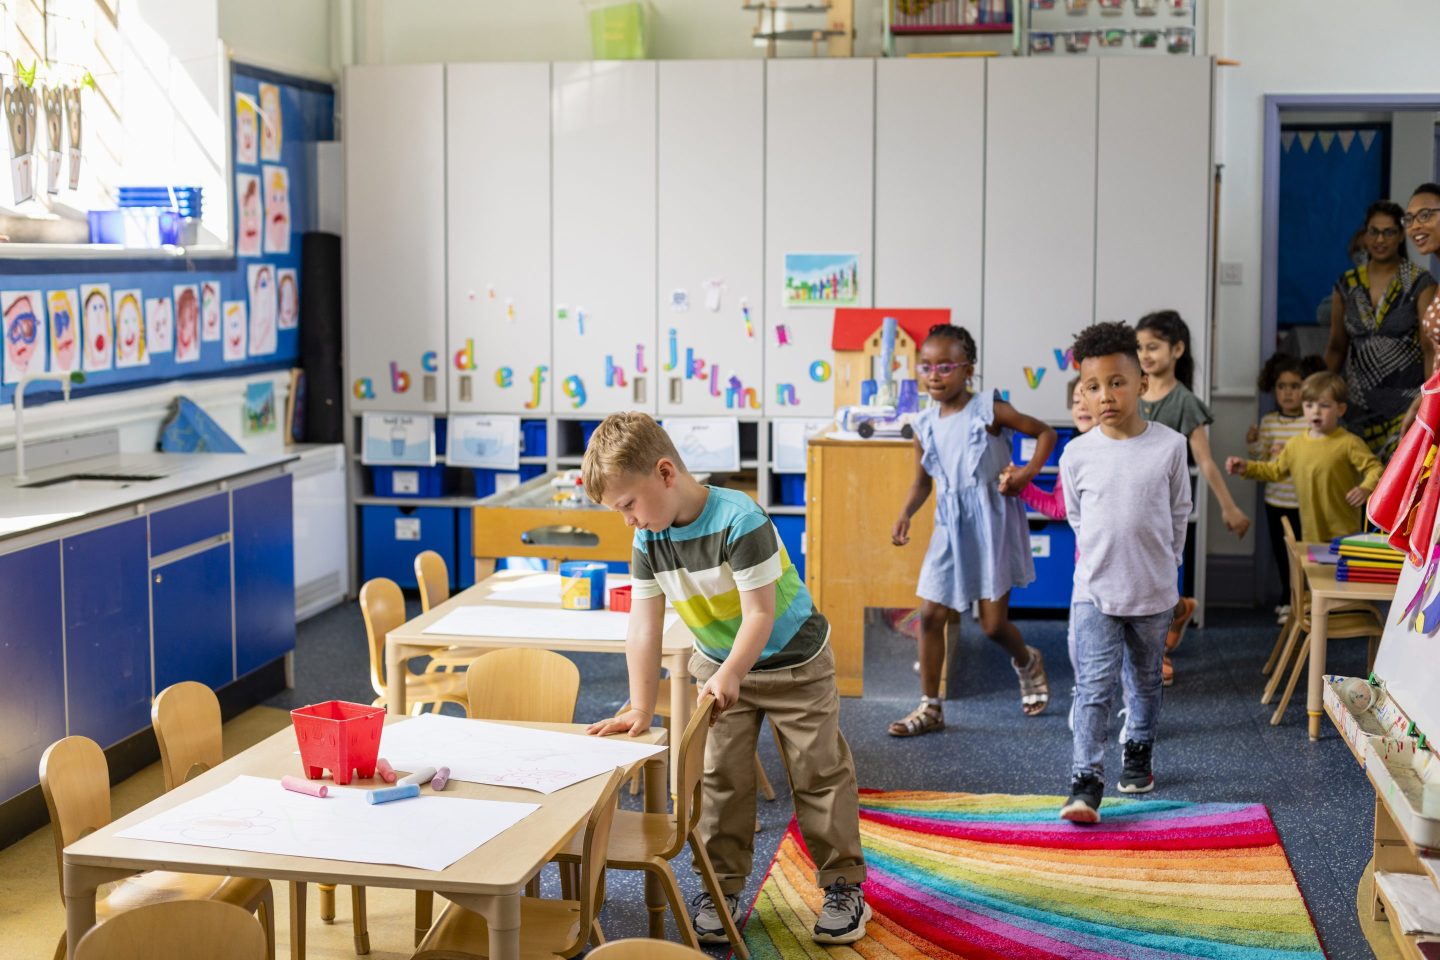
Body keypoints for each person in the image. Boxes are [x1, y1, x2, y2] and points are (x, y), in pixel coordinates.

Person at [582, 413, 870, 946]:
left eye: (628, 505)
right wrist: (641, 708)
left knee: (819, 772)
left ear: (665, 473)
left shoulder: (741, 519)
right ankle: (722, 888)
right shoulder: (649, 539)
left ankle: (843, 886)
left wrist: (733, 671)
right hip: (719, 666)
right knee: (720, 779)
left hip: (794, 663)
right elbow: (642, 628)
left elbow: (759, 614)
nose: (627, 521)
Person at [889, 324, 1057, 735]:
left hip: (992, 523)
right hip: (950, 526)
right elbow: (922, 481)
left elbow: (1045, 433)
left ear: (969, 370)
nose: (934, 375)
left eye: (945, 366)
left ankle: (1026, 660)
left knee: (993, 626)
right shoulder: (923, 424)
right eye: (925, 366)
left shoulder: (990, 410)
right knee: (930, 614)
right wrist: (906, 512)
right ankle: (930, 707)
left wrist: (1027, 474)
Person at [1059, 322, 1191, 824]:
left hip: (1153, 591)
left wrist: (1166, 565)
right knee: (1092, 687)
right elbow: (1077, 517)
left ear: (1140, 383)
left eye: (1117, 382)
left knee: (1144, 683)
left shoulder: (1169, 446)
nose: (1105, 395)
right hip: (1093, 590)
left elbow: (1179, 513)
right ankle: (1085, 782)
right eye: (1093, 386)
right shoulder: (1077, 454)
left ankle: (1137, 749)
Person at [1135, 310, 1248, 685]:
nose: (1145, 354)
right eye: (1139, 347)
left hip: (1164, 507)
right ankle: (1180, 611)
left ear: (1177, 349)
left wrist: (1229, 508)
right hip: (1129, 501)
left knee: (1159, 581)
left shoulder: (1183, 401)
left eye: (1153, 346)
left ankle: (1158, 653)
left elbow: (1206, 462)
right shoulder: (1130, 390)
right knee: (1138, 579)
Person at [1005, 376, 1094, 731]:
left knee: (1129, 648)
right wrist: (1022, 486)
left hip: (1130, 567)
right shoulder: (1072, 451)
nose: (1083, 406)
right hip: (1086, 567)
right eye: (1076, 400)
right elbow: (1059, 510)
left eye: (1090, 395)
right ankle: (1085, 696)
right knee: (1080, 639)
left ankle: (1134, 707)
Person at [1326, 199, 1437, 458]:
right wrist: (1318, 396)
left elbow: (1430, 348)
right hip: (1354, 407)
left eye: (1389, 232)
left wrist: (1430, 400)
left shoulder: (1419, 281)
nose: (1380, 239)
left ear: (1400, 236)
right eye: (1374, 231)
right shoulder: (1347, 283)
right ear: (1364, 235)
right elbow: (1336, 346)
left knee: (1395, 492)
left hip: (1404, 406)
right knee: (1351, 491)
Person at [1226, 372, 1383, 545]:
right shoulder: (1295, 444)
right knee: (1313, 572)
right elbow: (1275, 471)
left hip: (1346, 534)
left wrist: (1365, 488)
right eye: (1309, 405)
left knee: (1339, 573)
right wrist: (1246, 468)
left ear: (1340, 409)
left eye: (1324, 405)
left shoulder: (1349, 443)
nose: (1315, 411)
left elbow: (1375, 468)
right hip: (1311, 536)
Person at [1248, 353, 1319, 621]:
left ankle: (1306, 599)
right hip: (1276, 500)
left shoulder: (1310, 421)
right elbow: (1261, 461)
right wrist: (1254, 444)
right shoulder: (1268, 423)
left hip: (1305, 501)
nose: (1288, 393)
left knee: (1306, 552)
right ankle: (1288, 597)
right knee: (1282, 552)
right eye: (1282, 386)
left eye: (1295, 386)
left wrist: (1291, 452)